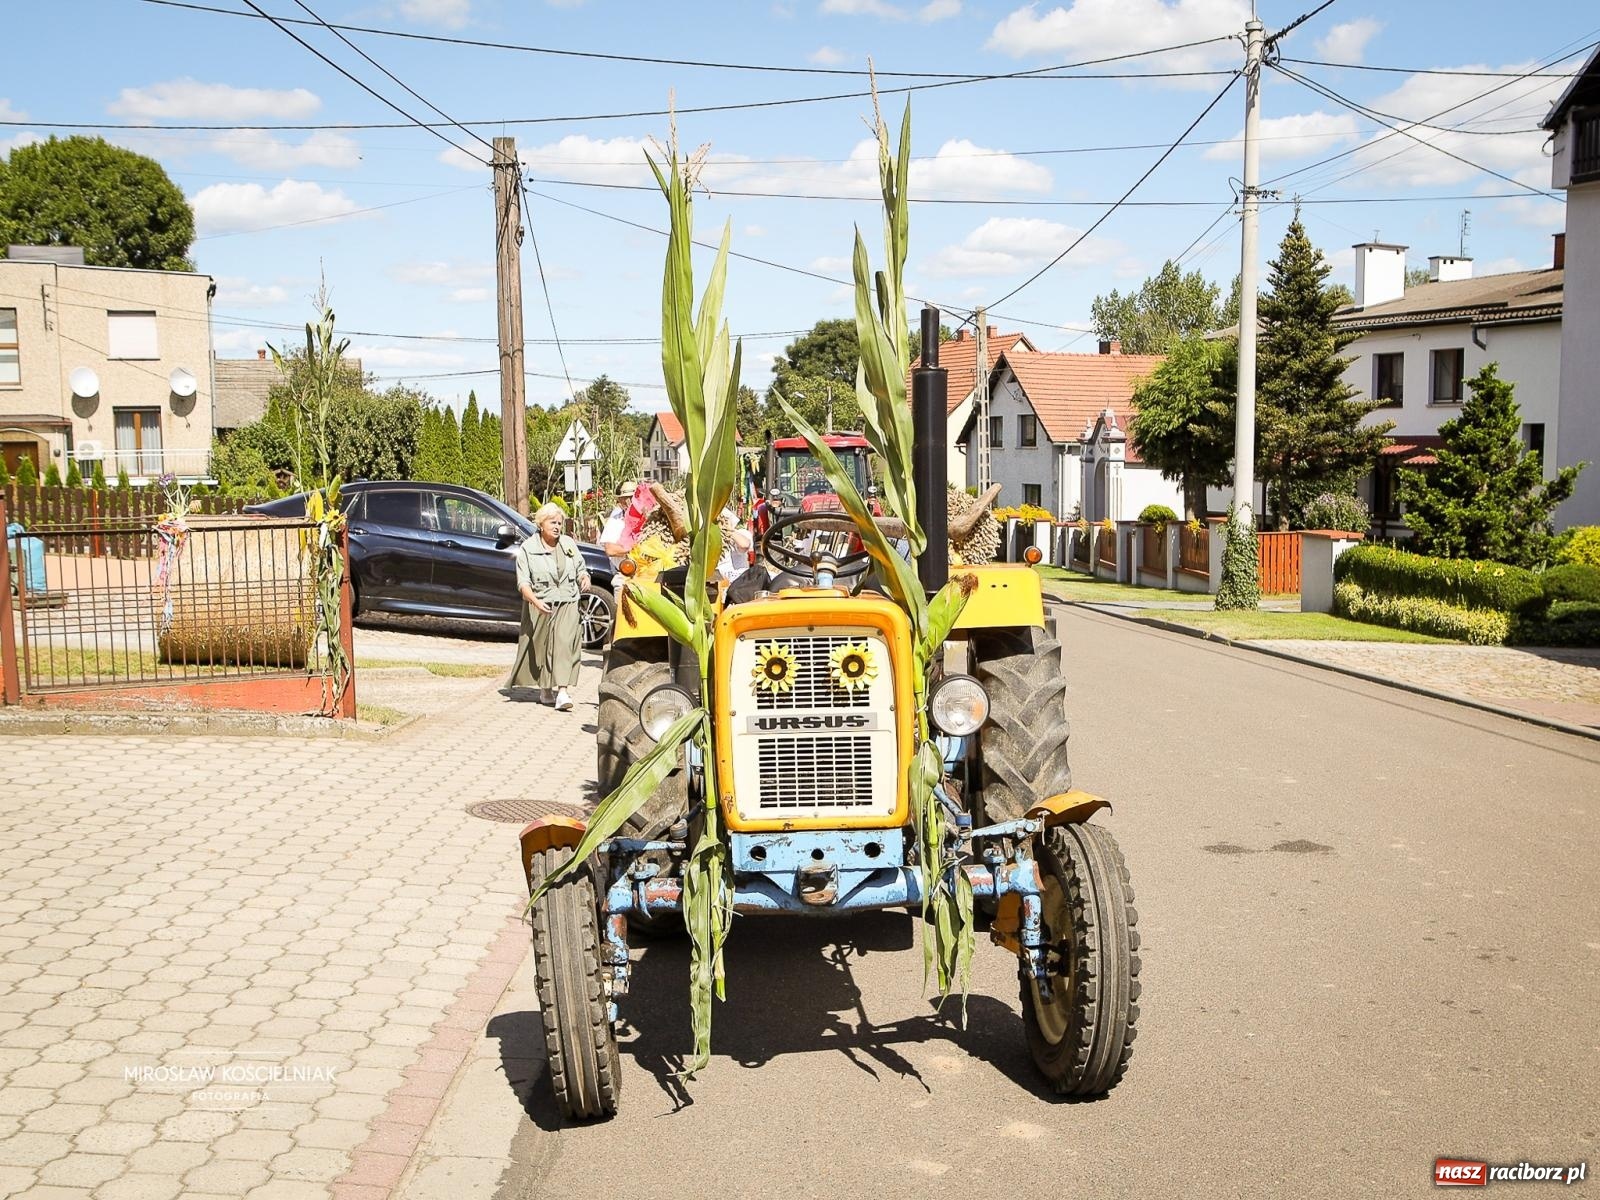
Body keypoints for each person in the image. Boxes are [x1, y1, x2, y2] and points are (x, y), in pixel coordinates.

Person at [505, 503, 590, 711]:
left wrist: (584, 576)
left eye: (560, 523)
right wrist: (534, 601)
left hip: (568, 601)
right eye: (553, 522)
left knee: (564, 644)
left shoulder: (568, 543)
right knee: (542, 648)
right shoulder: (528, 549)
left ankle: (562, 692)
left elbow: (580, 567)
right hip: (541, 604)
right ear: (541, 524)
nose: (557, 526)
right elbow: (523, 583)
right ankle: (545, 689)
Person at [598, 481, 637, 565]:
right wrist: (636, 549)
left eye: (631, 498)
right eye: (624, 498)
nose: (628, 502)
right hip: (624, 573)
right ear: (620, 500)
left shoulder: (648, 517)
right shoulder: (615, 520)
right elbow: (610, 549)